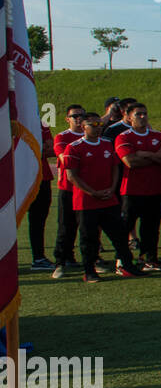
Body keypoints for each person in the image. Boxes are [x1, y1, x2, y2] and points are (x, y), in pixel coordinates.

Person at [64, 111, 141, 282]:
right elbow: (72, 176)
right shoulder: (74, 147)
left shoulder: (107, 144)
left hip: (108, 199)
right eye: (93, 125)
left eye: (100, 125)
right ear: (83, 127)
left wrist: (112, 188)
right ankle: (89, 271)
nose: (98, 128)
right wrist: (92, 192)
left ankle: (127, 266)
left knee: (120, 235)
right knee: (89, 239)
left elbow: (115, 168)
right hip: (86, 202)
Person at [114, 102, 161, 272]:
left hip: (155, 190)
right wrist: (155, 157)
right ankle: (122, 260)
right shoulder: (123, 137)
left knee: (152, 228)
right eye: (138, 114)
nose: (142, 117)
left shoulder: (157, 135)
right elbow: (130, 162)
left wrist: (144, 154)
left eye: (144, 113)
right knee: (126, 226)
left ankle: (149, 259)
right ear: (129, 117)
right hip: (131, 190)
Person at [50, 104, 87, 279]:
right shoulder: (63, 137)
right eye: (75, 116)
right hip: (69, 188)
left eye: (81, 115)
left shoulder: (92, 136)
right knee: (66, 226)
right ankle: (60, 262)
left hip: (88, 189)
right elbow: (64, 158)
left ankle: (91, 258)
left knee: (89, 226)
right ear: (67, 119)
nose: (78, 118)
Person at [28, 124, 55, 270]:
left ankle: (38, 258)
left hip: (41, 178)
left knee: (38, 221)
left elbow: (51, 150)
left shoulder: (39, 123)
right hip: (13, 180)